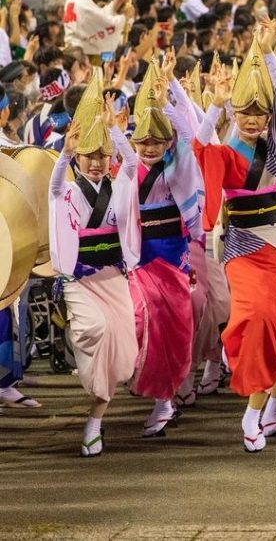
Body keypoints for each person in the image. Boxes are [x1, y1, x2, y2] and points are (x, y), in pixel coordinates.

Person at [193, 23, 276, 452]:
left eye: (259, 113)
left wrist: (273, 57)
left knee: (275, 328)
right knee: (252, 317)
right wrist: (213, 107)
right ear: (235, 112)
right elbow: (198, 147)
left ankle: (255, 411)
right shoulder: (225, 149)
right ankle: (242, 371)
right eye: (244, 112)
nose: (252, 120)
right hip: (244, 246)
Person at [49, 74, 141, 457]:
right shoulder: (70, 188)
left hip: (112, 276)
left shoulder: (118, 183)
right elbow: (54, 190)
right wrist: (66, 156)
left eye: (103, 156)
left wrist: (116, 133)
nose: (98, 163)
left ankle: (95, 421)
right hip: (81, 278)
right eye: (91, 156)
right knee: (96, 329)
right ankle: (78, 351)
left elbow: (133, 164)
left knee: (124, 348)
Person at [126, 56, 204, 437]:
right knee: (142, 318)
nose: (150, 147)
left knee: (176, 325)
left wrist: (171, 88)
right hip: (139, 254)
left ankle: (165, 398)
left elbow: (190, 132)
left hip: (173, 251)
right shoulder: (126, 164)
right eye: (143, 142)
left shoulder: (177, 162)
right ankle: (149, 384)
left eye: (158, 141)